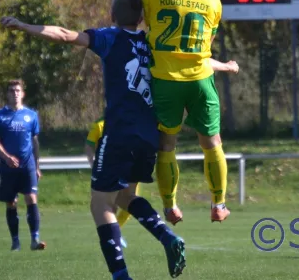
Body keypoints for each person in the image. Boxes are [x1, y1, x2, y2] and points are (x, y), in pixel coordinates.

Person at [0, 0, 186, 279]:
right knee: (125, 195)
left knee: (100, 204)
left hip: (120, 131)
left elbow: (64, 34)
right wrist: (225, 65)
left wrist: (24, 26)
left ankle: (121, 275)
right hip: (149, 135)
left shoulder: (110, 37)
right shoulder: (153, 43)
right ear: (141, 19)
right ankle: (167, 236)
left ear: (113, 16)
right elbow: (193, 65)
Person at [83, 59, 238, 246]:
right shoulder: (161, 42)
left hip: (135, 126)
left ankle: (167, 210)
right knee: (213, 143)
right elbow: (197, 59)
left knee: (109, 199)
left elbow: (67, 36)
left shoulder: (141, 45)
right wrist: (226, 66)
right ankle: (217, 204)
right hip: (146, 129)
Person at [141, 0, 234, 224]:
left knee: (166, 145)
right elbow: (206, 46)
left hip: (166, 80)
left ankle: (170, 207)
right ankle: (218, 204)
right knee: (212, 142)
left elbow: (144, 29)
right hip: (200, 80)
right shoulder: (213, 0)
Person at [0, 79, 46, 252]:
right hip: (7, 167)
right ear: (7, 94)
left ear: (23, 93)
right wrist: (6, 157)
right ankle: (15, 242)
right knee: (11, 202)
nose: (15, 93)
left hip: (27, 165)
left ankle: (35, 239)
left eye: (17, 90)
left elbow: (35, 143)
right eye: (12, 91)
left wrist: (36, 166)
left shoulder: (31, 115)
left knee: (31, 198)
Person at [85, 116, 138, 249]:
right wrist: (94, 165)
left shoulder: (129, 122)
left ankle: (115, 233)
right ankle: (113, 236)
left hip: (126, 170)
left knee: (130, 203)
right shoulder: (99, 125)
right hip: (107, 173)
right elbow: (89, 146)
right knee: (109, 206)